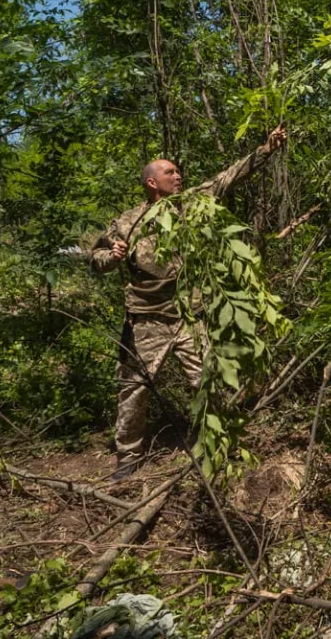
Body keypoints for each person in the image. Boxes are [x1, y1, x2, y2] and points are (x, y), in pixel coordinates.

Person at [91, 126, 287, 480]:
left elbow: (227, 178)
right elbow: (97, 258)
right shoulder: (128, 221)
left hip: (188, 317)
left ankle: (216, 445)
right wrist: (113, 256)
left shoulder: (190, 204)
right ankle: (128, 455)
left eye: (178, 171)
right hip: (145, 321)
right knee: (133, 390)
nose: (178, 175)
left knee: (208, 383)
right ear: (152, 182)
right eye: (170, 172)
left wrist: (266, 150)